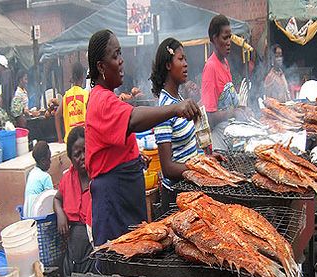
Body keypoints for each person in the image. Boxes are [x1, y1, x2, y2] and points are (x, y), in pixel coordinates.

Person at [86, 29, 200, 246]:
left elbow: (112, 145)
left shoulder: (108, 97)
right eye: (115, 55)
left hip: (125, 194)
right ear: (101, 66)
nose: (121, 61)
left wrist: (133, 157)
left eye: (120, 54)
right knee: (119, 264)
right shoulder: (101, 100)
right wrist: (175, 109)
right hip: (114, 202)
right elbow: (132, 120)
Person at [151, 37, 212, 212]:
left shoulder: (179, 101)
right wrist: (201, 167)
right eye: (180, 59)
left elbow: (189, 148)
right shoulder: (165, 108)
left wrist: (207, 159)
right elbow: (168, 167)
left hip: (189, 190)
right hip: (175, 199)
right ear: (168, 65)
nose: (186, 64)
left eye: (185, 59)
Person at [201, 15, 249, 151]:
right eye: (225, 38)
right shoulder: (211, 67)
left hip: (230, 138)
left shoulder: (225, 63)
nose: (229, 42)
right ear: (215, 39)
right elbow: (209, 116)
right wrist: (233, 112)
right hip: (218, 142)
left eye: (230, 37)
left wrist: (241, 109)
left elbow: (227, 101)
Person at [54, 126, 94, 277]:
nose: (83, 157)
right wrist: (60, 214)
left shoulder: (99, 177)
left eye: (85, 151)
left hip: (94, 251)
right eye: (77, 154)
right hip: (72, 253)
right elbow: (57, 198)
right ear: (71, 158)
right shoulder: (67, 179)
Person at [55, 62, 89, 144]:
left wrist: (60, 139)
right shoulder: (86, 94)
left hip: (70, 141)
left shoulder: (66, 95)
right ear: (82, 77)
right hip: (84, 139)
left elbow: (57, 115)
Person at [23, 141, 53, 217]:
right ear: (43, 161)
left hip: (27, 212)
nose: (50, 162)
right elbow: (51, 199)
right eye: (49, 159)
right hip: (38, 215)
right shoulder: (46, 177)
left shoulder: (32, 172)